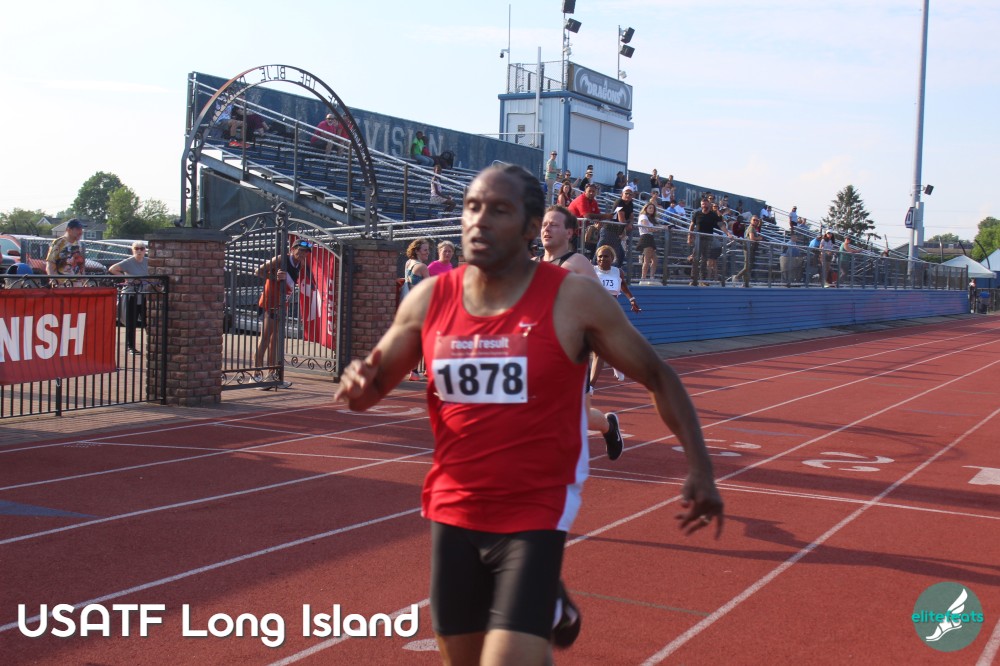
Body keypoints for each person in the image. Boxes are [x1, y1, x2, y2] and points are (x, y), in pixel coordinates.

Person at [334, 164, 723, 665]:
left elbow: (657, 374)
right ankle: (550, 604)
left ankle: (542, 598)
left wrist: (701, 466)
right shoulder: (430, 299)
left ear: (529, 225)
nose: (479, 220)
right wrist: (357, 385)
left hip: (537, 504)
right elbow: (369, 391)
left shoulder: (573, 299)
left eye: (499, 210)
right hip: (454, 505)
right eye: (472, 207)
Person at [539, 205, 627, 460]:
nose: (547, 229)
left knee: (577, 415)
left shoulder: (576, 262)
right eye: (544, 224)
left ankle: (608, 426)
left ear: (569, 232)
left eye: (554, 224)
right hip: (540, 349)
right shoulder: (534, 265)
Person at [253, 239, 314, 386]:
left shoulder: (301, 263)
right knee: (265, 339)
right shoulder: (281, 259)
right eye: (300, 250)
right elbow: (258, 271)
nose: (303, 254)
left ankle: (272, 375)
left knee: (275, 340)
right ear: (292, 249)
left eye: (306, 252)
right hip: (270, 303)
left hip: (282, 304)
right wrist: (274, 277)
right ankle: (256, 375)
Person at [591, 244, 641, 384]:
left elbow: (623, 285)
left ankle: (591, 385)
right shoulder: (591, 270)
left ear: (612, 258)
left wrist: (632, 299)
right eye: (600, 256)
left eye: (606, 256)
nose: (602, 259)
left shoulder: (618, 272)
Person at [109, 242, 150, 354]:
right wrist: (127, 278)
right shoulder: (128, 262)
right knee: (131, 321)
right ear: (133, 250)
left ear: (145, 250)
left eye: (142, 248)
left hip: (144, 294)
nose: (139, 251)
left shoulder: (148, 261)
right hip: (131, 294)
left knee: (147, 321)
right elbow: (112, 269)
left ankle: (152, 344)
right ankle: (130, 346)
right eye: (136, 248)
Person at [403, 238, 433, 380]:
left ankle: (414, 371)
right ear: (417, 251)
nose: (428, 252)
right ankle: (426, 369)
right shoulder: (422, 267)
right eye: (425, 250)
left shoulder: (408, 263)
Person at [687, 199, 725, 286]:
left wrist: (728, 233)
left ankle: (703, 280)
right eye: (702, 204)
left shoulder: (713, 215)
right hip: (698, 238)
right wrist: (689, 236)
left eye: (705, 204)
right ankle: (693, 280)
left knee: (704, 260)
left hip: (708, 239)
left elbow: (721, 224)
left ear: (709, 205)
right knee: (695, 259)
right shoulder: (697, 213)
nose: (704, 206)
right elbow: (692, 225)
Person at [601, 187, 635, 268]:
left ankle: (615, 270)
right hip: (609, 230)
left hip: (616, 232)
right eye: (626, 193)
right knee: (600, 251)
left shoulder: (631, 204)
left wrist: (630, 223)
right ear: (622, 194)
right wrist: (628, 224)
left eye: (630, 194)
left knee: (620, 254)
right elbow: (621, 219)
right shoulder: (619, 202)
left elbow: (632, 218)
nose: (628, 195)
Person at [46, 218, 87, 284]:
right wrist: (54, 281)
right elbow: (50, 264)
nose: (81, 232)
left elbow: (82, 266)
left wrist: (85, 281)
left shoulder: (80, 244)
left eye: (81, 229)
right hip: (63, 284)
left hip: (78, 283)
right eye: (78, 229)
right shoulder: (58, 243)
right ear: (69, 230)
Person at [735, 215, 762, 287]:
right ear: (750, 220)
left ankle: (745, 283)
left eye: (757, 220)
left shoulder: (753, 228)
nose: (755, 221)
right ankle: (736, 277)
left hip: (750, 248)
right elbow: (752, 238)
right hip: (748, 248)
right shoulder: (751, 228)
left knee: (748, 266)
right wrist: (759, 238)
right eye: (754, 220)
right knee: (747, 266)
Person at [636, 201, 660, 282]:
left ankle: (651, 277)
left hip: (650, 238)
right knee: (647, 260)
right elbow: (648, 229)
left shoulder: (650, 218)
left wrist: (666, 227)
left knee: (655, 260)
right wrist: (660, 229)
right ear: (645, 209)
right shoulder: (643, 216)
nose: (651, 209)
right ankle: (643, 278)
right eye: (650, 208)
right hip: (645, 237)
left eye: (653, 208)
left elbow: (656, 226)